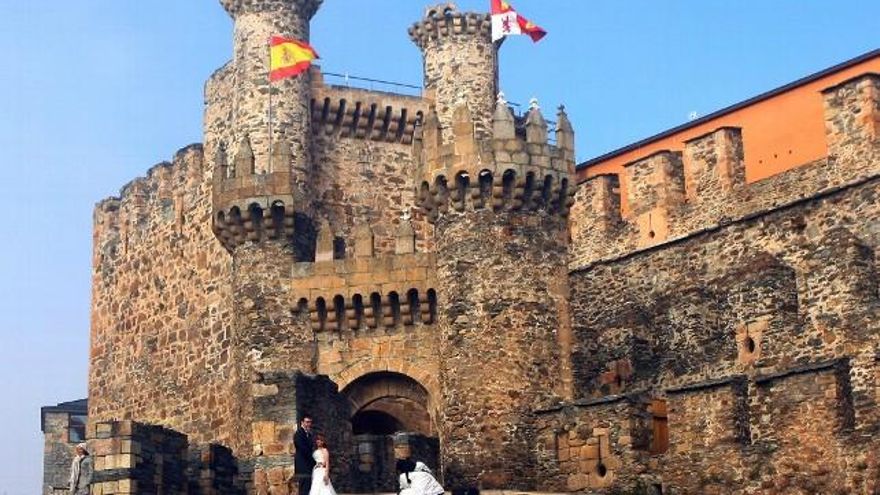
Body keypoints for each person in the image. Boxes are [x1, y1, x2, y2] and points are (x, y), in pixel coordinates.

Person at [294, 415, 316, 495]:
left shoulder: (309, 434)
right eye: (307, 422)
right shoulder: (299, 434)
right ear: (302, 422)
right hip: (302, 465)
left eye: (310, 422)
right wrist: (314, 461)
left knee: (307, 486)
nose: (309, 424)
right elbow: (303, 449)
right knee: (304, 487)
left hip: (307, 465)